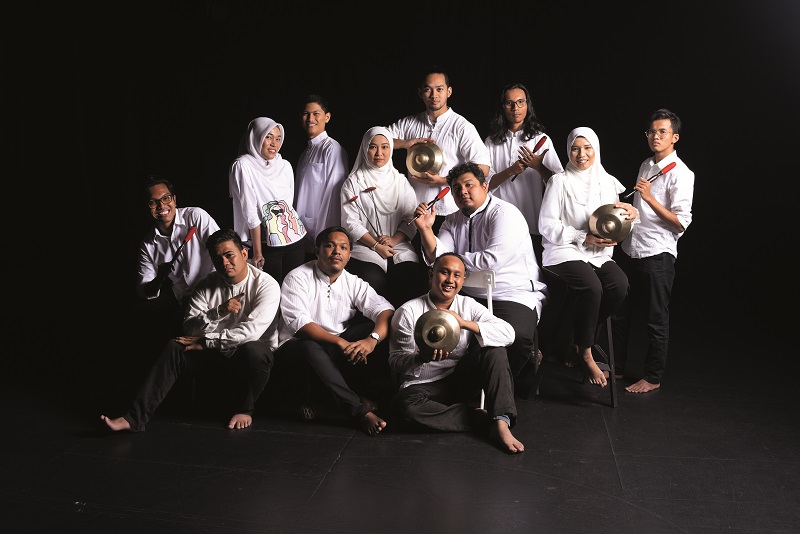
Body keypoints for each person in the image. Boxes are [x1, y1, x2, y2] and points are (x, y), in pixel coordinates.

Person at [101, 229, 281, 432]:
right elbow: (189, 327)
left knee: (254, 349)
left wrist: (206, 342)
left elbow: (250, 333)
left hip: (247, 361)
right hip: (214, 355)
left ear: (244, 253)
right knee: (175, 346)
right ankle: (134, 418)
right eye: (217, 258)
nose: (224, 262)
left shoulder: (266, 286)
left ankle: (244, 409)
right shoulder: (205, 285)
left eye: (229, 255)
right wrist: (217, 312)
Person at [413, 161, 547, 391]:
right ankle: (464, 392)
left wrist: (452, 261)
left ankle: (500, 390)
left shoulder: (505, 214)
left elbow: (491, 262)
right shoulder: (452, 220)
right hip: (466, 295)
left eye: (469, 185)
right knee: (438, 331)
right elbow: (439, 261)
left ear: (485, 187)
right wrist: (425, 229)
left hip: (511, 293)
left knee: (517, 338)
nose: (463, 191)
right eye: (456, 188)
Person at [389, 252, 523, 454]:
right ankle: (484, 419)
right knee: (405, 408)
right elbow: (395, 362)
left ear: (463, 280)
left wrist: (464, 323)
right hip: (422, 388)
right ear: (431, 274)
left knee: (495, 350)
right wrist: (420, 358)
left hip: (459, 379)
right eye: (444, 272)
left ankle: (502, 423)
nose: (450, 280)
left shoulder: (467, 306)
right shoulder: (408, 311)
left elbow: (508, 334)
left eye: (457, 275)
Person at [538, 127, 638, 387]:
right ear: (568, 151)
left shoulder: (608, 182)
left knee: (620, 286)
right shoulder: (559, 181)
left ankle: (578, 338)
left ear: (596, 150)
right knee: (592, 287)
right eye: (575, 148)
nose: (581, 154)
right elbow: (546, 225)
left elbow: (615, 221)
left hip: (597, 253)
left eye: (587, 148)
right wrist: (582, 236)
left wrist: (631, 217)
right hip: (563, 249)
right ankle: (586, 352)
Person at [275, 226, 394, 436]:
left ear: (349, 255)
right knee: (309, 346)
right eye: (330, 246)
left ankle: (357, 393)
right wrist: (339, 342)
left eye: (343, 247)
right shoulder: (297, 277)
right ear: (317, 250)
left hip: (335, 349)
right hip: (297, 351)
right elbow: (300, 325)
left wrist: (372, 340)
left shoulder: (351, 281)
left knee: (378, 329)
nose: (336, 251)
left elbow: (384, 309)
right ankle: (358, 411)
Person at [612, 109, 695, 393]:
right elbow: (640, 212)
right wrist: (628, 210)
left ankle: (653, 377)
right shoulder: (646, 164)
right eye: (651, 131)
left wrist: (648, 198)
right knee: (620, 313)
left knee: (655, 318)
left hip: (658, 254)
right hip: (632, 248)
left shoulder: (682, 173)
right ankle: (617, 367)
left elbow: (680, 223)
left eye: (662, 132)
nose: (655, 136)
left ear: (675, 137)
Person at [386, 67, 491, 238]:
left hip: (448, 212)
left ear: (449, 91)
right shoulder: (409, 123)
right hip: (412, 210)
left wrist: (443, 180)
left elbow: (483, 168)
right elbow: (377, 139)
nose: (434, 95)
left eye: (439, 89)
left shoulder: (462, 127)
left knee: (444, 255)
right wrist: (405, 143)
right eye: (428, 89)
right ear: (420, 93)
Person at [340, 126, 428, 308]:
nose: (379, 153)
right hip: (365, 246)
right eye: (373, 147)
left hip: (399, 244)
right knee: (373, 280)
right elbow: (350, 223)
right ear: (365, 149)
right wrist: (376, 245)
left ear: (391, 149)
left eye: (385, 147)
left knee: (410, 278)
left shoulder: (400, 181)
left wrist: (394, 240)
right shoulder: (353, 182)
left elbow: (410, 219)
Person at [484, 82, 564, 266]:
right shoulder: (491, 142)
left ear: (528, 105)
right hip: (500, 222)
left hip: (532, 222)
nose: (515, 108)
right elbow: (485, 185)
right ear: (503, 107)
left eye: (520, 102)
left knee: (534, 272)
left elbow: (560, 184)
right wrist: (510, 171)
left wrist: (539, 167)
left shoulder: (541, 139)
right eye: (510, 103)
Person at [135, 176, 221, 342]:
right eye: (153, 202)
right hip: (180, 296)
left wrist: (202, 292)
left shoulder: (196, 216)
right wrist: (159, 278)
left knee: (174, 332)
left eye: (166, 198)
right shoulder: (147, 244)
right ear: (147, 207)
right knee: (137, 314)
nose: (161, 206)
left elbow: (221, 249)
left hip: (211, 288)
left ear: (174, 199)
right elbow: (144, 291)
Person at [229, 116, 307, 284]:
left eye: (278, 139)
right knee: (271, 292)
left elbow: (288, 205)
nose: (274, 144)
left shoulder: (284, 165)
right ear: (256, 137)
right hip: (266, 245)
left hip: (295, 238)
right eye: (268, 137)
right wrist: (257, 252)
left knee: (295, 289)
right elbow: (250, 211)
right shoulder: (243, 165)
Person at [295, 94, 350, 262]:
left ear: (327, 117)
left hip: (321, 234)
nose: (310, 119)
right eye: (306, 114)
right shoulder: (305, 153)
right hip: (302, 232)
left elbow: (333, 198)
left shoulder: (333, 149)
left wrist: (327, 239)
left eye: (316, 113)